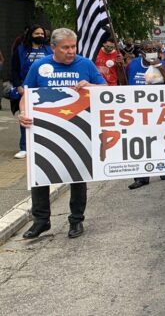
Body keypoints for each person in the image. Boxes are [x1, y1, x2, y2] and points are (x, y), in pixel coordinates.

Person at [18, 28, 106, 239]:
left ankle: (76, 220)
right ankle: (41, 221)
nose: (71, 51)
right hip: (44, 130)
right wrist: (22, 113)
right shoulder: (40, 66)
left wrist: (91, 85)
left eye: (73, 46)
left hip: (79, 128)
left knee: (77, 176)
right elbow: (26, 94)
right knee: (40, 175)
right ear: (54, 47)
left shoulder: (85, 64)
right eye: (65, 47)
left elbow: (106, 90)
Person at [126, 41, 165, 189]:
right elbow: (124, 83)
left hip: (158, 110)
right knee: (139, 142)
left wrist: (159, 66)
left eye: (154, 49)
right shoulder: (133, 64)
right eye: (148, 50)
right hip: (136, 110)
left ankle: (161, 167)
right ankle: (141, 177)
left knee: (159, 139)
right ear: (141, 52)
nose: (151, 52)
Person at [11, 25, 53, 159]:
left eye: (42, 34)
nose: (40, 36)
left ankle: (44, 145)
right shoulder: (21, 50)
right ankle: (24, 147)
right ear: (30, 34)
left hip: (44, 88)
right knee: (25, 117)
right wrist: (18, 85)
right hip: (26, 88)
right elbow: (14, 69)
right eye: (37, 33)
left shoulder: (49, 50)